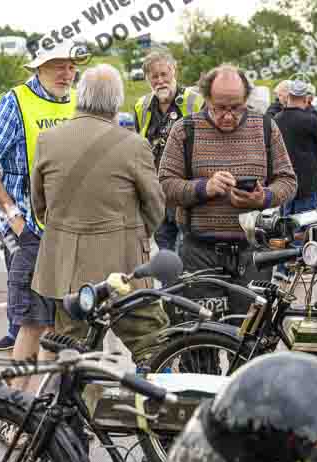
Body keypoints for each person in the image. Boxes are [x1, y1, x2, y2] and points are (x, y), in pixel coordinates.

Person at [31, 64, 169, 367]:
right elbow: (156, 208)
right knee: (154, 346)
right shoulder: (134, 145)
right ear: (116, 102)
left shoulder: (47, 140)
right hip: (125, 268)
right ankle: (158, 409)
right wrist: (132, 231)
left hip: (67, 272)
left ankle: (81, 413)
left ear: (80, 96)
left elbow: (40, 207)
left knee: (75, 355)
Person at [0, 44, 91, 391]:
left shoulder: (78, 104)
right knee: (32, 323)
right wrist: (14, 218)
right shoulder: (14, 101)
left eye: (70, 67)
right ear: (38, 68)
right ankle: (12, 411)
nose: (66, 74)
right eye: (57, 66)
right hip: (31, 231)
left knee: (60, 324)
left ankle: (38, 411)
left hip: (71, 231)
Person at [158, 64, 296, 312]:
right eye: (220, 108)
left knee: (249, 340)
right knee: (199, 338)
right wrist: (204, 188)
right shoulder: (185, 130)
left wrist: (262, 197)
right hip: (199, 254)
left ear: (246, 99)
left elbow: (288, 181)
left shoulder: (265, 128)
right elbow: (165, 186)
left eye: (236, 107)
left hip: (253, 255)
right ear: (207, 98)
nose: (228, 116)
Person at [134, 51, 203, 252]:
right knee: (165, 249)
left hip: (187, 191)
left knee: (186, 249)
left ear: (174, 71)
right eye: (154, 76)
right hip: (157, 193)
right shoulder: (141, 106)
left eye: (164, 74)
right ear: (147, 79)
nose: (160, 80)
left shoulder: (196, 101)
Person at [274, 79, 317, 215]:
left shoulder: (276, 119)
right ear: (305, 98)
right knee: (306, 226)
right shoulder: (311, 120)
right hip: (307, 181)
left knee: (286, 225)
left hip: (285, 181)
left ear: (288, 96)